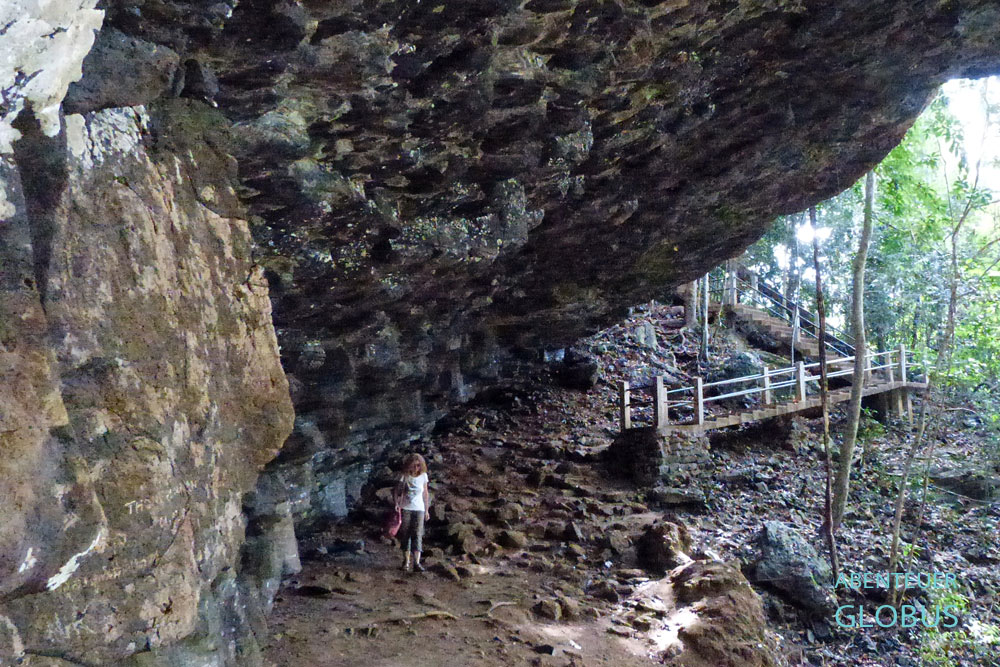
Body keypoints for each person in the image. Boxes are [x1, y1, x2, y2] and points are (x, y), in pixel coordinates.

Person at [393, 453, 429, 572]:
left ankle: (417, 562)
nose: (416, 468)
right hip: (406, 508)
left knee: (418, 534)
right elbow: (396, 491)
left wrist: (427, 510)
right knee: (405, 534)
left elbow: (425, 493)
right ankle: (406, 561)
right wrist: (396, 503)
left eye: (418, 465)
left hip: (419, 509)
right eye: (413, 465)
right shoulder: (405, 476)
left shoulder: (423, 476)